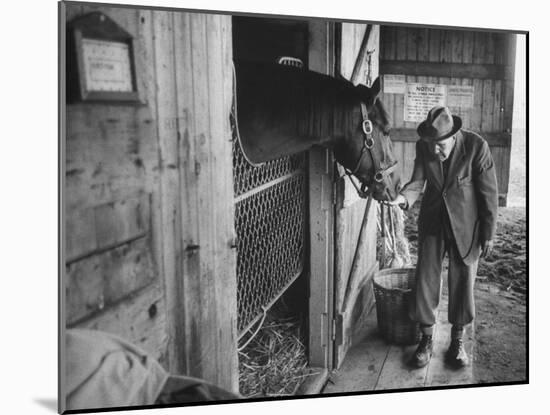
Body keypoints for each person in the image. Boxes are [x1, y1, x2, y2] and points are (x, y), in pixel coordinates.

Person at [388, 105, 498, 369]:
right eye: (431, 144)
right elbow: (417, 182)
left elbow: (489, 194)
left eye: (440, 145)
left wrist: (489, 233)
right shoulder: (425, 146)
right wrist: (403, 198)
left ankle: (457, 341)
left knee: (462, 281)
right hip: (434, 221)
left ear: (453, 136)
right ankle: (426, 340)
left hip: (466, 225)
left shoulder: (476, 147)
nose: (435, 150)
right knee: (425, 279)